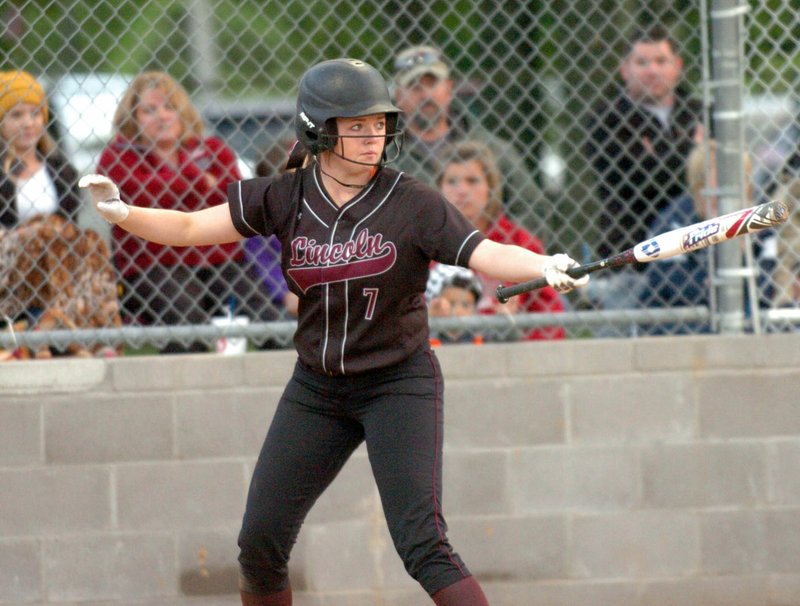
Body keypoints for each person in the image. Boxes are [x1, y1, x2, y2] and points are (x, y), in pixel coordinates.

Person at [80, 58, 589, 606]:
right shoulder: (284, 195)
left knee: (423, 546)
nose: (374, 136)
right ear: (319, 131)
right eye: (357, 126)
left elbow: (485, 253)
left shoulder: (413, 202)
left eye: (379, 124)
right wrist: (121, 211)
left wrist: (542, 264)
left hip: (398, 382)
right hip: (317, 388)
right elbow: (188, 226)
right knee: (260, 543)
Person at [96, 71, 269, 353]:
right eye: (149, 110)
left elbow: (232, 198)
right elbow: (138, 197)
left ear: (182, 112)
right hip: (154, 262)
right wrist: (198, 181)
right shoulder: (117, 156)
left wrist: (172, 190)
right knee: (190, 331)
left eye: (169, 107)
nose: (162, 116)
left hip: (219, 258)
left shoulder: (212, 148)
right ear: (133, 118)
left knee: (269, 323)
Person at [585, 25, 704, 313]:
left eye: (661, 61)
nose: (652, 70)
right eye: (642, 62)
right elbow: (642, 180)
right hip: (633, 254)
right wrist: (693, 153)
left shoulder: (701, 111)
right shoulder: (605, 120)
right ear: (625, 69)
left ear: (677, 66)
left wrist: (660, 155)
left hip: (698, 251)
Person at [390, 44, 547, 234]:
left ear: (449, 88)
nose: (425, 94)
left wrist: (494, 248)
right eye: (414, 86)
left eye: (432, 83)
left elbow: (534, 211)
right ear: (398, 95)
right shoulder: (383, 156)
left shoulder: (493, 149)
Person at [430, 140, 566, 340]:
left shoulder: (519, 242)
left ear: (491, 187)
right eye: (452, 181)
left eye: (472, 180)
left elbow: (551, 322)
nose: (462, 190)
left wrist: (515, 335)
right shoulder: (426, 243)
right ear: (438, 189)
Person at [637, 141, 752, 335]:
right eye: (722, 173)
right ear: (701, 183)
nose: (733, 182)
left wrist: (741, 253)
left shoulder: (755, 218)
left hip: (744, 313)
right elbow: (675, 286)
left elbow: (766, 284)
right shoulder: (675, 221)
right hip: (679, 321)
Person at [0, 70, 80, 229]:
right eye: (17, 115)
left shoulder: (62, 170)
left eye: (35, 113)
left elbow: (71, 229)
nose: (28, 123)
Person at [427, 264, 484, 345]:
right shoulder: (425, 337)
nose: (458, 311)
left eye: (465, 305)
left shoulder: (483, 338)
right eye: (451, 304)